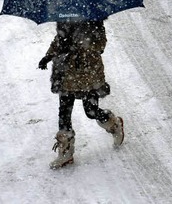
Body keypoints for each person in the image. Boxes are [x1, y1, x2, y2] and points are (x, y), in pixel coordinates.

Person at [38, 20, 124, 169]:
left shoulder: (94, 21)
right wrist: (49, 56)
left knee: (90, 112)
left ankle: (113, 123)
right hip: (65, 73)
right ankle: (66, 151)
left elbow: (100, 46)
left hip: (87, 75)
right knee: (64, 111)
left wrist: (81, 47)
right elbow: (58, 40)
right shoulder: (65, 19)